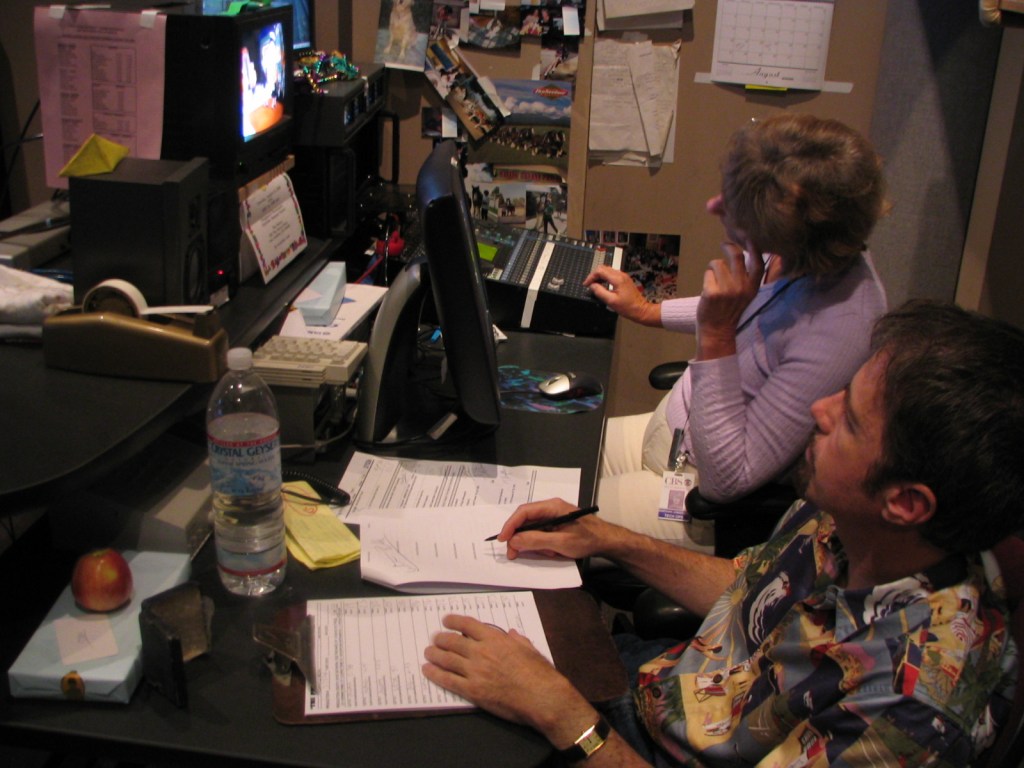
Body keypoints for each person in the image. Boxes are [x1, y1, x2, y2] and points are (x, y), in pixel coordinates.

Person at [424, 300, 1024, 767]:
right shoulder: (850, 520)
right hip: (663, 689)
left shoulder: (907, 706)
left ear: (907, 502)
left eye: (852, 420)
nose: (821, 408)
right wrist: (607, 538)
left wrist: (561, 715)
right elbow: (749, 590)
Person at [585, 114, 888, 549]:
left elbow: (730, 479)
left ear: (786, 233)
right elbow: (740, 304)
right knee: (556, 454)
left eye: (733, 208)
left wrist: (716, 336)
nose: (714, 206)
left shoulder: (841, 329)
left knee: (558, 511)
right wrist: (648, 311)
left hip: (702, 491)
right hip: (673, 431)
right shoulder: (799, 251)